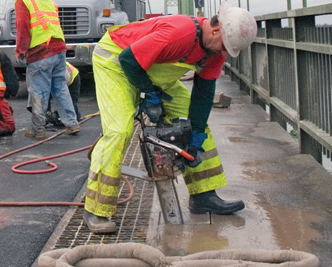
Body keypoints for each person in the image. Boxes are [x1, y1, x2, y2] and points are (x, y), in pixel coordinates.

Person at [83, 7, 258, 233]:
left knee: (199, 125)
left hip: (149, 71)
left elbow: (203, 96)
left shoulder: (214, 53)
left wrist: (194, 137)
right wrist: (148, 94)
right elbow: (128, 59)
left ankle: (203, 196)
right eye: (224, 46)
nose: (223, 52)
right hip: (116, 63)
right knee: (119, 131)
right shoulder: (181, 33)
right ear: (216, 30)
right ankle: (96, 210)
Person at [15, 0, 80, 139]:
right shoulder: (49, 2)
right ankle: (72, 124)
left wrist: (21, 50)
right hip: (59, 49)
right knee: (60, 87)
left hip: (41, 51)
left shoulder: (23, 2)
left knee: (38, 91)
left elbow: (23, 26)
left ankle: (38, 129)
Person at [27, 61, 85, 127]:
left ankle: (72, 122)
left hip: (73, 78)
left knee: (72, 112)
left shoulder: (55, 78)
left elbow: (63, 100)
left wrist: (54, 116)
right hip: (55, 76)